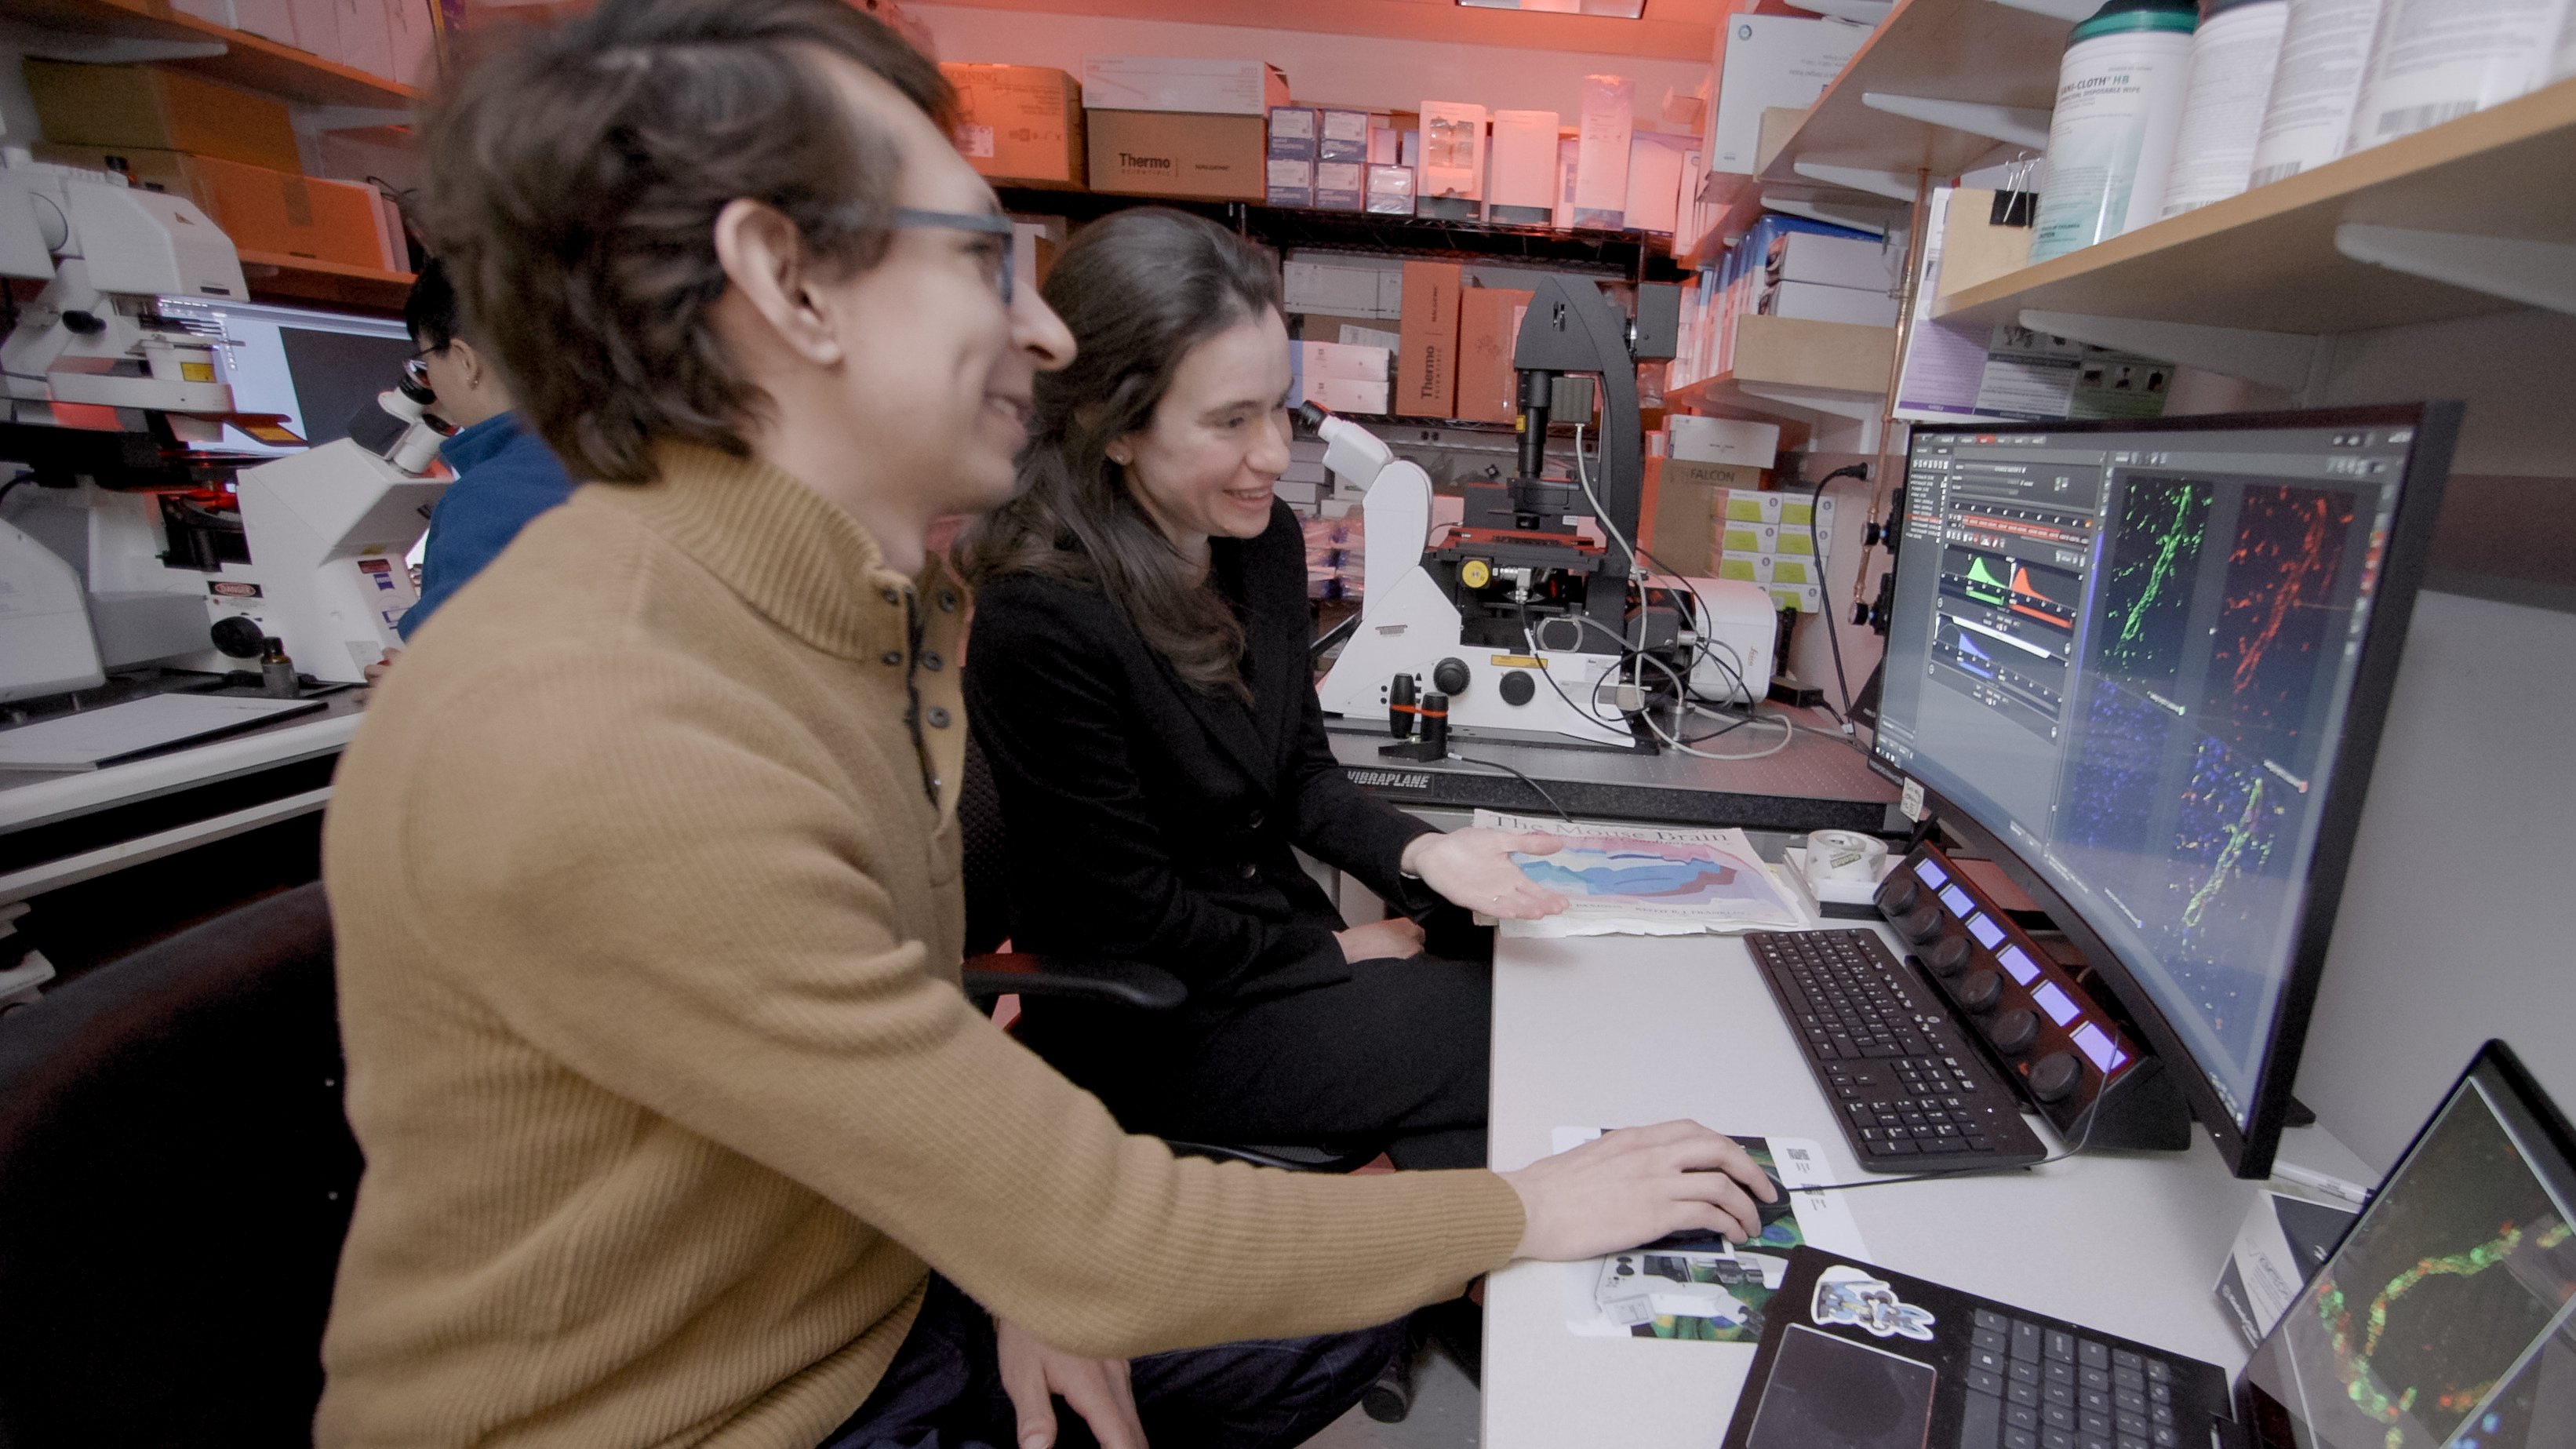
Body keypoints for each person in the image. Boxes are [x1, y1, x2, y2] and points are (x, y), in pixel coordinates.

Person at [318, 3, 1777, 1447]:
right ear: (787, 282)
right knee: (1416, 1235)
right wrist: (1526, 1211)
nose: (1041, 324)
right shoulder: (610, 727)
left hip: (879, 1288)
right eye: (976, 258)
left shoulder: (847, 619)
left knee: (1334, 1306)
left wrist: (1006, 1238)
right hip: (706, 1415)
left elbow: (905, 1073)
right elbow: (1095, 1210)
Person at [958, 209, 1555, 1175]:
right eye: (1230, 421)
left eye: (1280, 407)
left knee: (1511, 981)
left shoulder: (1260, 541)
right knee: (1523, 1028)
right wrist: (1336, 956)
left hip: (1260, 963)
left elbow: (1299, 775)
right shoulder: (1042, 618)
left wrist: (1424, 850)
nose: (1276, 453)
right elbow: (1131, 918)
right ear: (1113, 429)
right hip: (1154, 1018)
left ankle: (1445, 1282)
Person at [363, 258, 579, 682]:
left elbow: (464, 682)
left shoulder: (492, 495)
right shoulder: (628, 456)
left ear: (464, 359)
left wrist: (409, 687)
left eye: (425, 365)